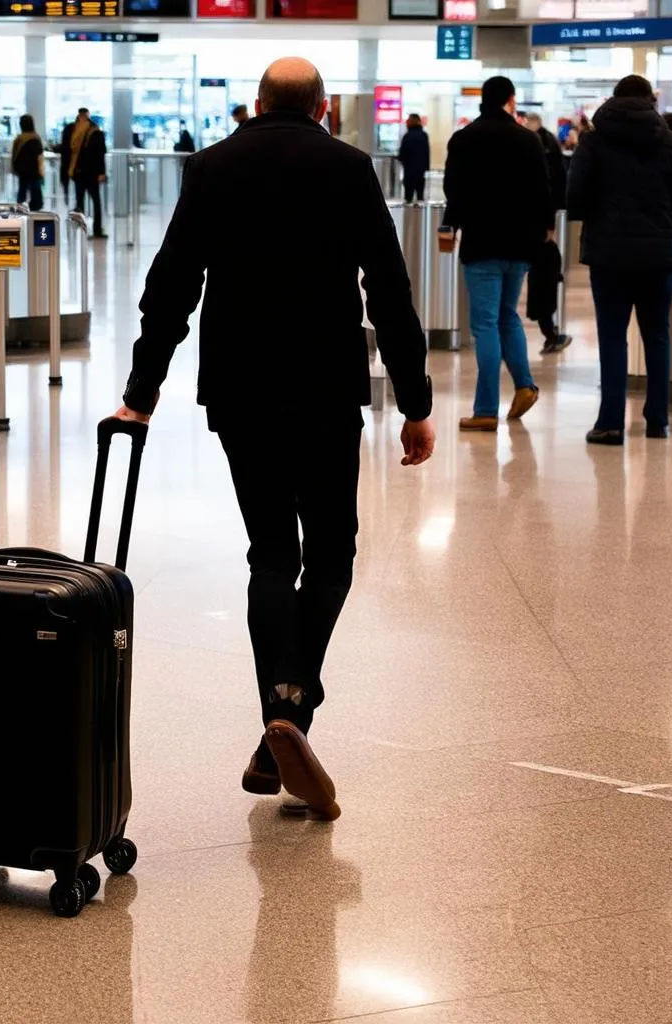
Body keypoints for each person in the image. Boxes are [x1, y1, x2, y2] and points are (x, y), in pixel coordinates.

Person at [112, 57, 435, 821]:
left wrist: (140, 393)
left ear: (255, 106)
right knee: (330, 553)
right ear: (324, 110)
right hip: (325, 387)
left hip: (240, 387)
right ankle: (293, 705)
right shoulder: (350, 167)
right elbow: (387, 288)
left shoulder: (213, 167)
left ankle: (275, 722)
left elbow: (172, 284)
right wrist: (415, 401)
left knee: (270, 553)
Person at [567, 75, 672, 445]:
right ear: (650, 100)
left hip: (608, 256)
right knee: (657, 334)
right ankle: (657, 420)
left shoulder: (594, 142)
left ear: (614, 99)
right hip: (658, 255)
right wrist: (669, 229)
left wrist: (601, 217)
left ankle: (610, 423)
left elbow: (575, 199)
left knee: (612, 337)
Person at [442, 76, 553, 432]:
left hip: (482, 243)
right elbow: (542, 189)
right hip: (520, 245)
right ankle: (524, 385)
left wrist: (450, 225)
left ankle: (486, 409)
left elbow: (453, 190)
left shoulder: (464, 139)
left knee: (485, 324)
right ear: (510, 99)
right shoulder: (528, 139)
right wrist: (543, 231)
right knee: (508, 316)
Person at [524, 111, 571, 354]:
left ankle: (549, 332)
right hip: (534, 228)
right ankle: (549, 332)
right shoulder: (544, 145)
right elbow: (550, 185)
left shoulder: (533, 145)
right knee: (544, 275)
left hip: (511, 228)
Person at [67, 108, 107, 239]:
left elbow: (100, 153)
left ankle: (86, 230)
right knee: (88, 201)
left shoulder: (91, 132)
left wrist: (101, 172)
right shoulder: (81, 132)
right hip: (85, 172)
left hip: (86, 172)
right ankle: (90, 229)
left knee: (85, 201)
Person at [11, 113, 44, 212]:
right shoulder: (36, 138)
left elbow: (14, 155)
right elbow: (40, 157)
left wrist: (14, 168)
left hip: (22, 171)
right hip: (34, 170)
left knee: (22, 191)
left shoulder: (19, 139)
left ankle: (21, 208)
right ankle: (34, 209)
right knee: (36, 191)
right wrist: (41, 172)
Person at [397, 113, 430, 203]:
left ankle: (408, 212)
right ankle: (420, 214)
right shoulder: (424, 135)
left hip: (409, 169)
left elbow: (403, 152)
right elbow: (426, 152)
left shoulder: (407, 136)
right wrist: (426, 167)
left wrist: (401, 159)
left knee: (408, 195)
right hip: (420, 169)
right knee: (420, 194)